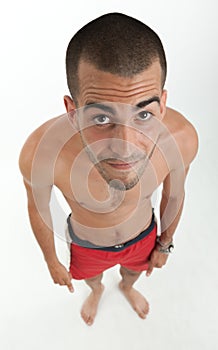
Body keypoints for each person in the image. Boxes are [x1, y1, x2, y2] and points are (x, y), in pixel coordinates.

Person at [19, 13, 198, 326]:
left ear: (163, 104)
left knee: (133, 275)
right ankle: (98, 290)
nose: (126, 145)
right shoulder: (41, 153)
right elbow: (39, 209)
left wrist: (165, 242)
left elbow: (176, 193)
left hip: (143, 237)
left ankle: (126, 288)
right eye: (101, 118)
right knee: (93, 280)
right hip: (87, 245)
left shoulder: (181, 139)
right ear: (72, 112)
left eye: (144, 116)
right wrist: (51, 262)